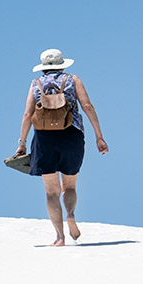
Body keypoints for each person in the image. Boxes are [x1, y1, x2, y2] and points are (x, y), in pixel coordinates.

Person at [14, 49, 108, 246]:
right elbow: (87, 106)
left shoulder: (35, 84)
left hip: (44, 138)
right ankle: (71, 214)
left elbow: (27, 114)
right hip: (71, 135)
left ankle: (60, 237)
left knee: (51, 191)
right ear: (63, 64)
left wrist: (22, 144)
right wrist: (99, 136)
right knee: (70, 186)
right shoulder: (73, 80)